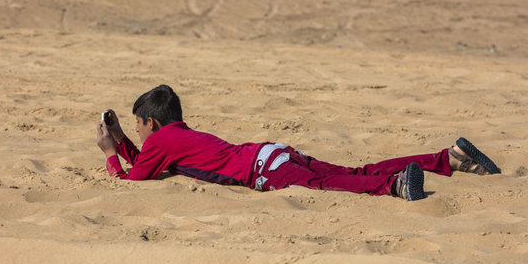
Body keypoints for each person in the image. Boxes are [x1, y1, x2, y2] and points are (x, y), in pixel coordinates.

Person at [96, 85, 501, 201]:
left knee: (328, 185)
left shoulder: (162, 142)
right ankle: (449, 157)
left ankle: (394, 186)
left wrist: (112, 156)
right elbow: (149, 160)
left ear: (150, 122)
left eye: (136, 125)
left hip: (264, 171)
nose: (137, 130)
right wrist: (120, 138)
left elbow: (135, 178)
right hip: (273, 153)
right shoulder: (177, 134)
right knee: (351, 171)